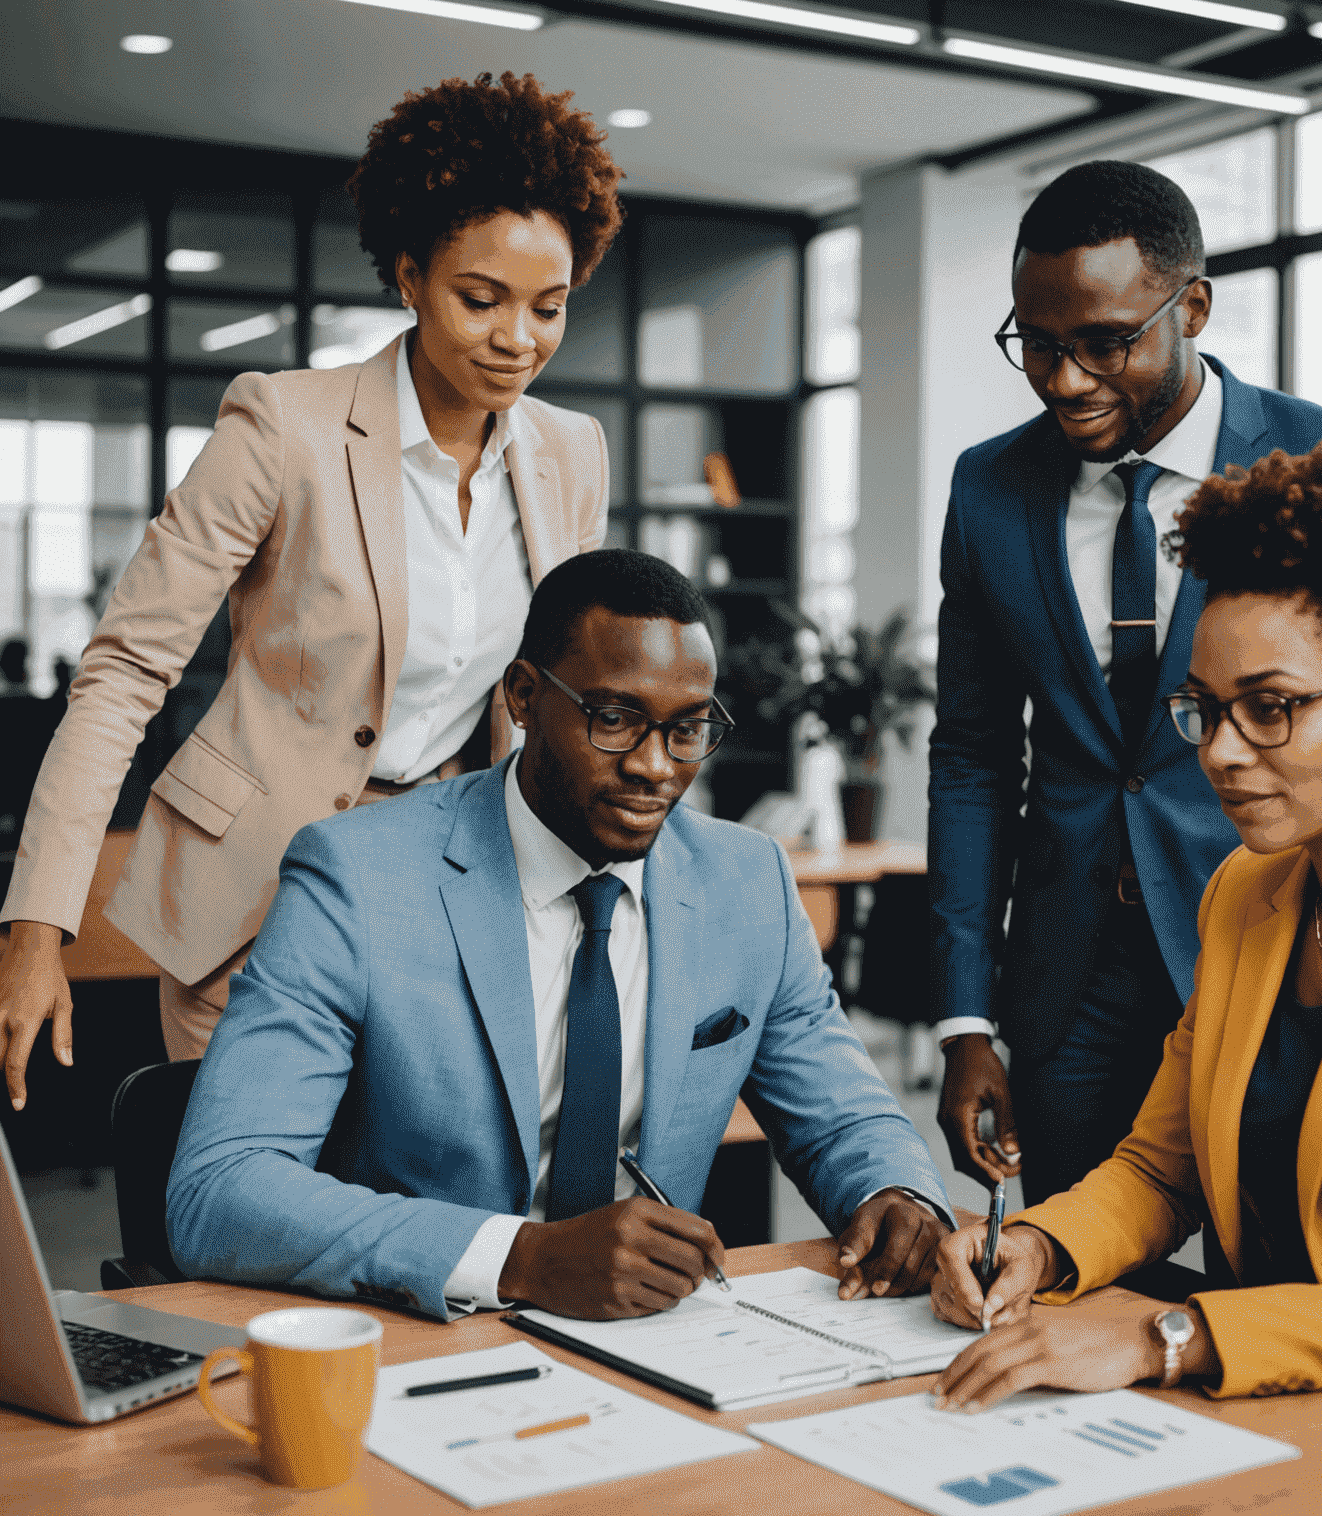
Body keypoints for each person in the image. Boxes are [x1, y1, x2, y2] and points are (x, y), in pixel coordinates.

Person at [0, 72, 622, 1102]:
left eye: (548, 307)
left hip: (449, 895)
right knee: (247, 1206)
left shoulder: (571, 454)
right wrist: (33, 926)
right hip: (256, 890)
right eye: (481, 299)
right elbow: (123, 674)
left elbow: (558, 692)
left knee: (411, 1220)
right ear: (411, 275)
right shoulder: (283, 427)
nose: (519, 339)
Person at [167, 550, 953, 1320]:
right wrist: (521, 1259)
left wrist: (895, 1193)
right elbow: (222, 1187)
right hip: (427, 1333)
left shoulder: (748, 885)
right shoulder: (358, 879)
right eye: (614, 719)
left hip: (656, 1344)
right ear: (522, 696)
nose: (654, 767)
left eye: (687, 730)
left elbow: (844, 1114)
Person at [926, 444, 1322, 1404]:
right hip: (1268, 1413)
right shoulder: (1246, 897)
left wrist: (1181, 1334)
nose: (1220, 753)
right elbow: (1164, 1171)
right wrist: (1041, 1246)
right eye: (1205, 710)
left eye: (1272, 709)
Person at [929, 160, 1322, 1206]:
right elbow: (972, 756)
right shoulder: (989, 489)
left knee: (1275, 1277)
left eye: (1105, 343)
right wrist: (966, 1017)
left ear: (1192, 307)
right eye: (1037, 345)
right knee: (1068, 1273)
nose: (1064, 380)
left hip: (1289, 950)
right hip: (1072, 973)